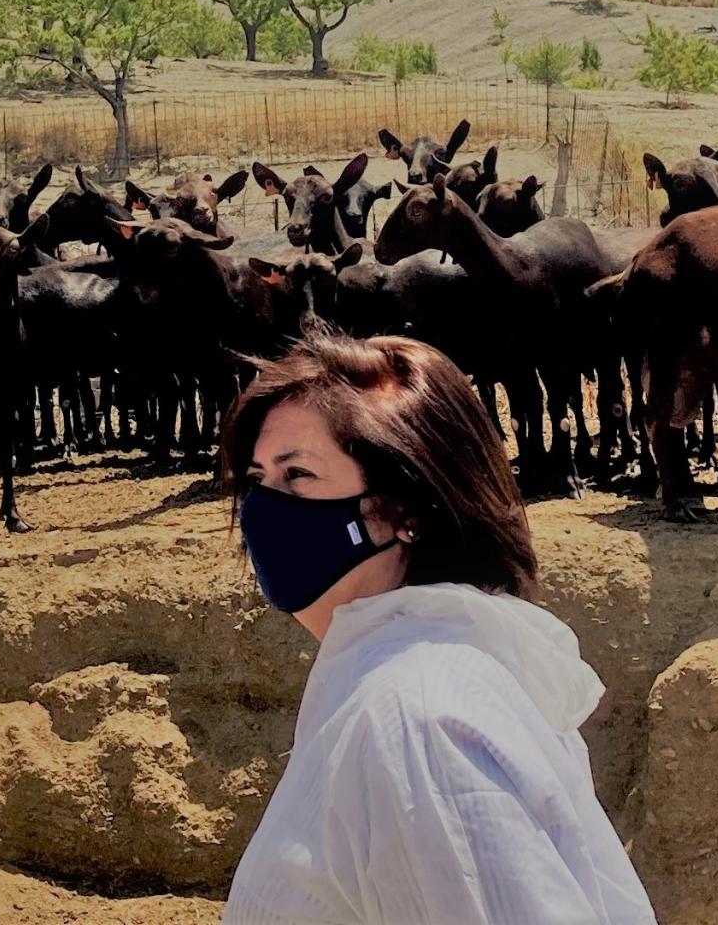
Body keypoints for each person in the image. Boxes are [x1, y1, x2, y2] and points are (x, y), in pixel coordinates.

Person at [219, 330, 657, 924]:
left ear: (404, 511)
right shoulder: (402, 674)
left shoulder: (418, 721)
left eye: (297, 475)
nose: (263, 510)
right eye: (257, 480)